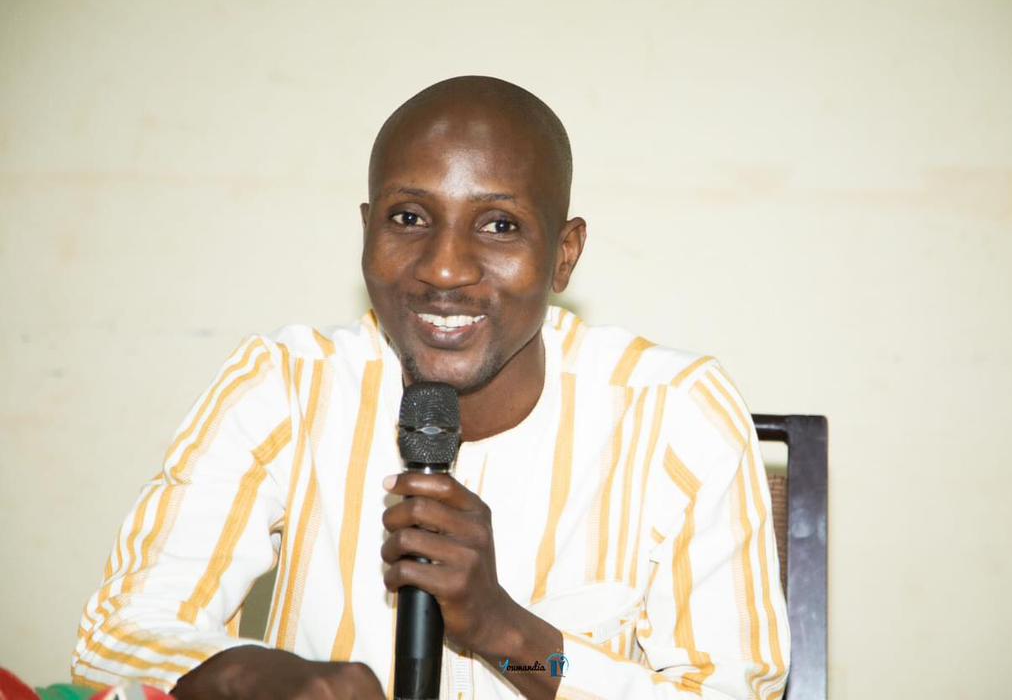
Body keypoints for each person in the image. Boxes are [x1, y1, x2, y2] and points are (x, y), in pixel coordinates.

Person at [72, 76, 790, 699]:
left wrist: (508, 630)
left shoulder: (674, 413)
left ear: (563, 255)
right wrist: (248, 676)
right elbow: (117, 636)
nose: (444, 269)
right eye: (408, 218)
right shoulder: (288, 384)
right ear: (365, 231)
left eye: (499, 225)